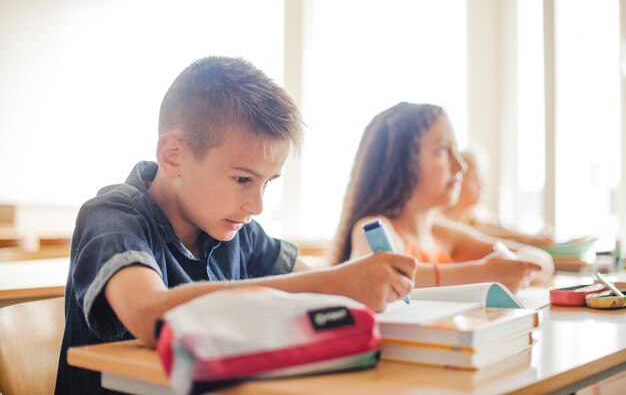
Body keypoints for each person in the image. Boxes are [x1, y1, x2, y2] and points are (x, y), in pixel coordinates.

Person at [55, 57, 417, 395]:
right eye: (243, 179)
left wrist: (366, 279)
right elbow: (152, 313)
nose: (256, 206)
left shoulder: (233, 229)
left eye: (267, 182)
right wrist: (337, 283)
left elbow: (315, 283)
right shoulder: (112, 216)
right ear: (173, 156)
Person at [332, 102, 553, 293]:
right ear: (401, 164)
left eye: (456, 151)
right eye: (443, 150)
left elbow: (541, 260)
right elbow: (373, 277)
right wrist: (482, 274)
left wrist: (511, 269)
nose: (461, 166)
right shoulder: (374, 228)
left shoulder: (445, 235)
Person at [443, 148, 555, 247]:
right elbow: (476, 236)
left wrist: (534, 236)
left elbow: (501, 228)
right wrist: (527, 238)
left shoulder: (479, 218)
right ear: (457, 181)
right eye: (475, 179)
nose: (483, 185)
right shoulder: (442, 221)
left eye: (483, 178)